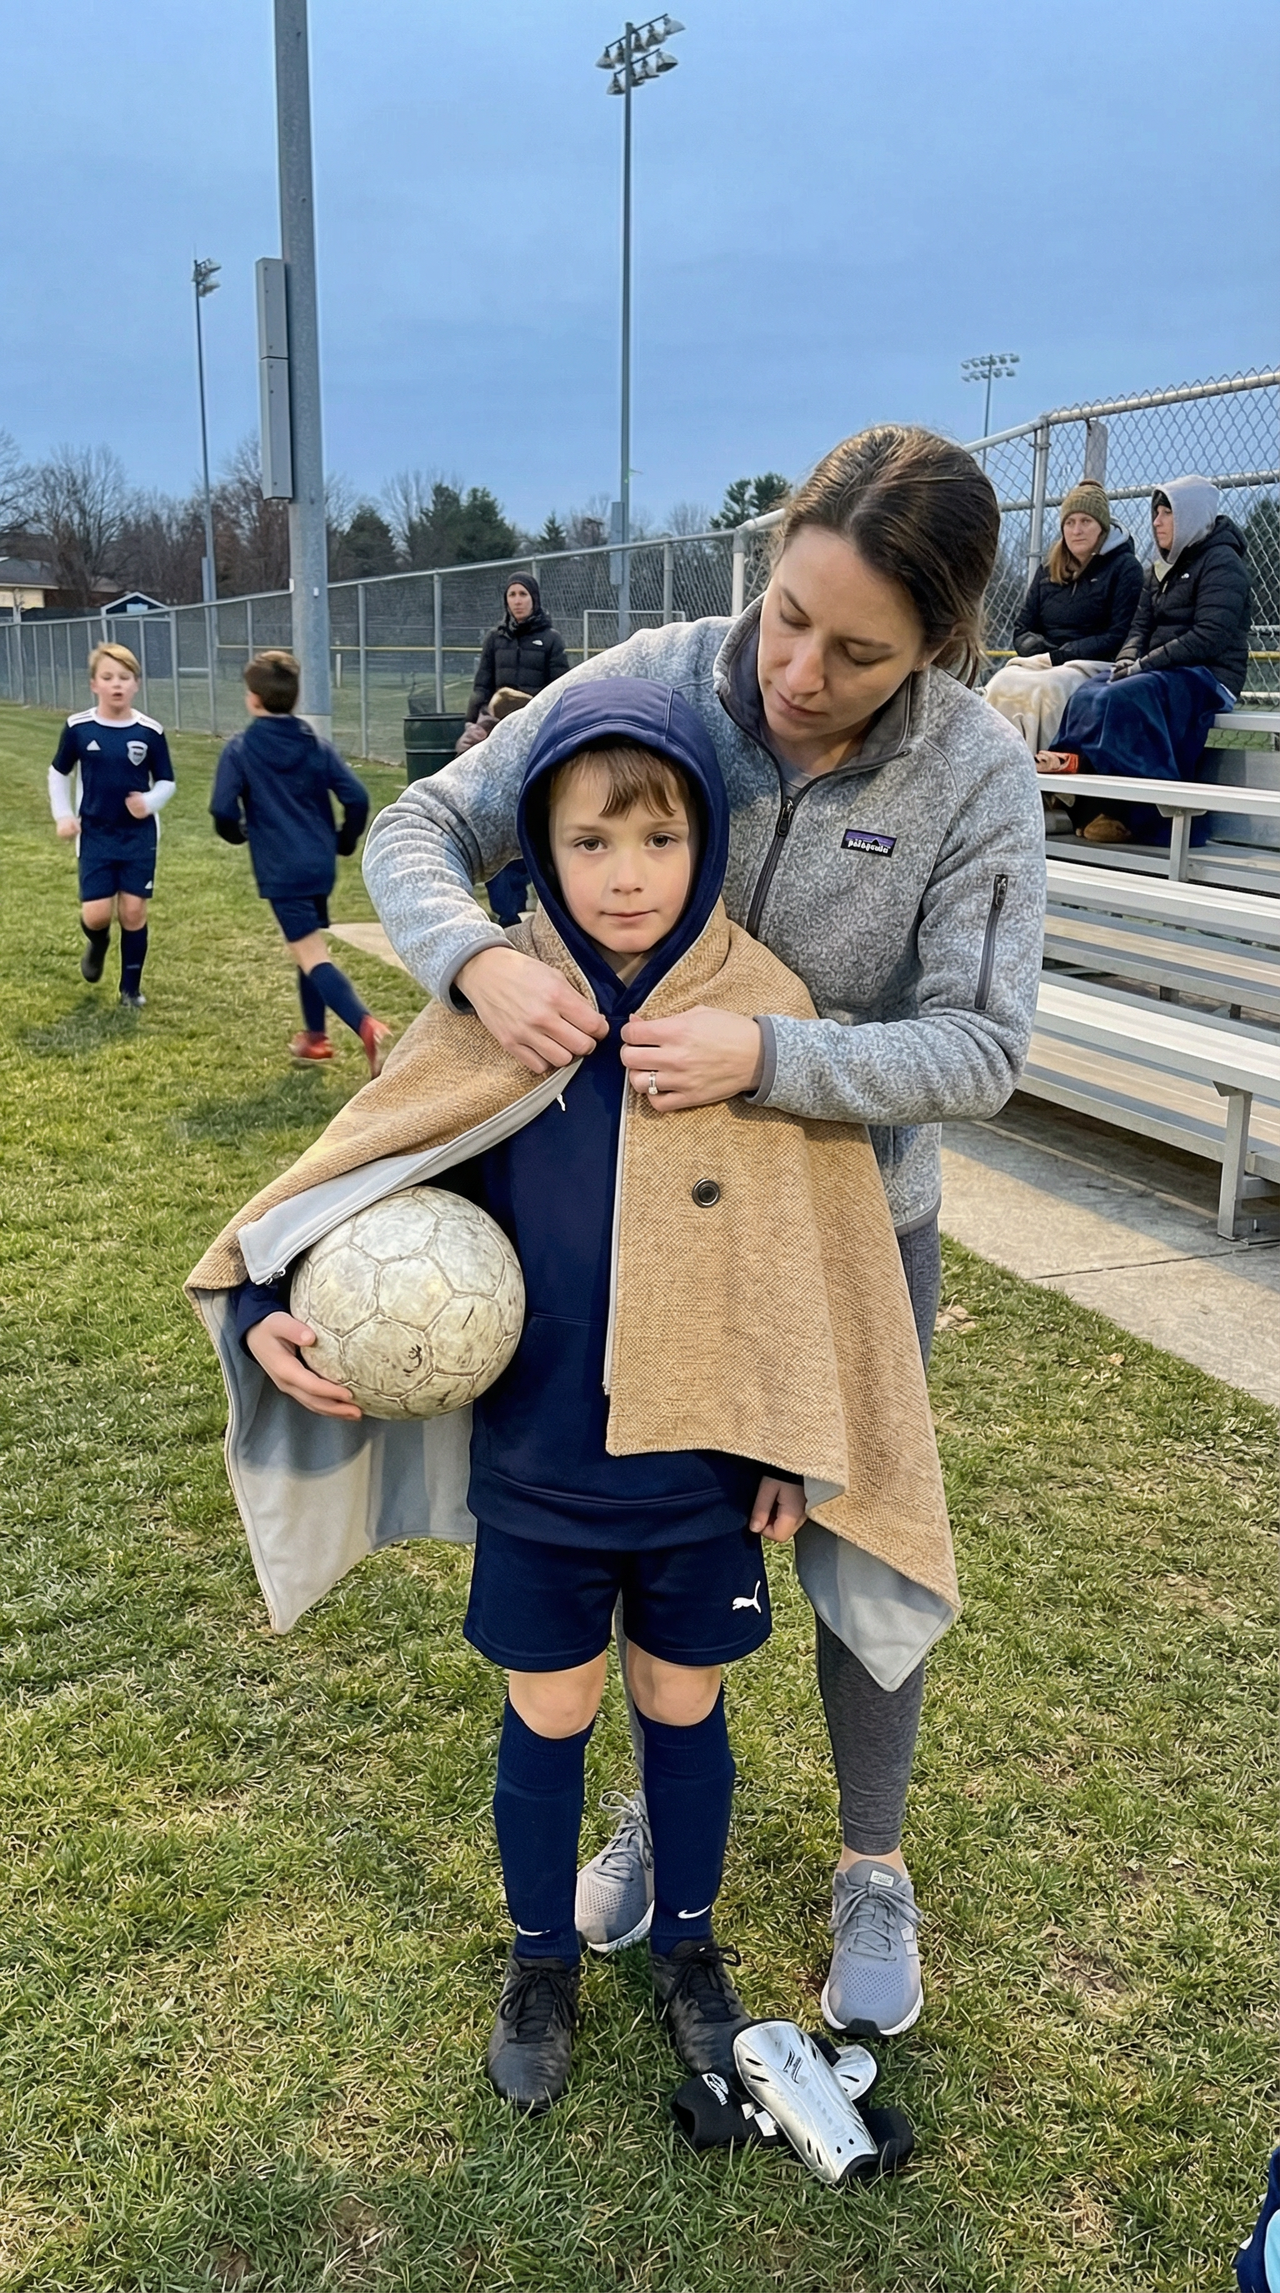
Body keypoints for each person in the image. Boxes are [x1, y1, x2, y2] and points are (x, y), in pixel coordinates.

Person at [361, 425, 1048, 2043]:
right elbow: (416, 832)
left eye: (859, 652)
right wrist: (475, 958)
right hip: (633, 1224)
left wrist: (772, 1055)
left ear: (939, 646)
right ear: (774, 554)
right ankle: (666, 1815)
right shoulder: (655, 681)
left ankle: (872, 1862)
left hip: (850, 1231)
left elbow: (983, 1048)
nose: (800, 671)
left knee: (863, 1539)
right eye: (790, 613)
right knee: (665, 1539)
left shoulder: (976, 776)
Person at [185, 678, 952, 2116]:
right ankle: (539, 1959)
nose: (625, 874)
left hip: (698, 1469)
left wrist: (793, 1438)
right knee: (551, 1705)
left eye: (658, 838)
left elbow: (814, 1260)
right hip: (542, 1458)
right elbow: (374, 1163)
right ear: (538, 842)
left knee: (681, 1698)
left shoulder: (757, 1011)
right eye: (589, 841)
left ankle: (688, 1948)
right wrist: (271, 1289)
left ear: (706, 839)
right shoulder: (505, 1000)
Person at [1037, 476, 1252, 845]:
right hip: (1161, 669)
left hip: (1209, 674)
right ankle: (1072, 774)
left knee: (1124, 696)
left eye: (1167, 513)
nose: (1157, 522)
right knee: (1089, 691)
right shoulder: (1160, 567)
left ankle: (1141, 812)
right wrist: (1127, 661)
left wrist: (1145, 665)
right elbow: (1139, 627)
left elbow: (1209, 636)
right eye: (1156, 513)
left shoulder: (1222, 563)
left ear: (1189, 515)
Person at [209, 649, 393, 1076]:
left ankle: (365, 1024)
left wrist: (237, 832)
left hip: (282, 869)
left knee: (311, 954)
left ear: (253, 698)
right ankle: (316, 1038)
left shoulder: (241, 748)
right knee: (305, 947)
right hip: (318, 865)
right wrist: (343, 841)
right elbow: (357, 797)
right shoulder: (314, 744)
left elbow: (221, 809)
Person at [983, 481, 1141, 830]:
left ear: (1102, 527)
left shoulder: (1124, 568)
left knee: (1050, 689)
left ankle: (1055, 795)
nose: (1077, 530)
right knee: (1001, 682)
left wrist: (1066, 653)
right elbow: (1022, 628)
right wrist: (1039, 649)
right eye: (1070, 522)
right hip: (1046, 659)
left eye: (1086, 521)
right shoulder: (1048, 568)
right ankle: (1000, 786)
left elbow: (1120, 634)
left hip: (1093, 663)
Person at [47, 641, 175, 1008]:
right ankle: (98, 943)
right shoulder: (78, 728)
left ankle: (130, 990)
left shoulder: (150, 731)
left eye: (124, 677)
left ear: (136, 684)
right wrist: (63, 815)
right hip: (95, 834)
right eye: (107, 677)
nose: (116, 684)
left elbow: (167, 782)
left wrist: (149, 802)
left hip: (138, 836)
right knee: (97, 914)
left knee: (133, 911)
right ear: (94, 684)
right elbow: (58, 773)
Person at [455, 686, 535, 926]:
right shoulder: (485, 741)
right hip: (497, 818)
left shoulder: (502, 740)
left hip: (511, 818)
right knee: (507, 870)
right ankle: (510, 917)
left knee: (511, 869)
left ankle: (511, 915)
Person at [467, 575, 570, 722]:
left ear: (534, 598)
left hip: (536, 720)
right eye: (512, 595)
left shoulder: (551, 638)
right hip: (499, 722)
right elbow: (482, 687)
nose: (517, 601)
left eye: (523, 594)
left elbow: (559, 688)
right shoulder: (494, 638)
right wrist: (471, 721)